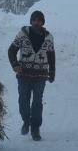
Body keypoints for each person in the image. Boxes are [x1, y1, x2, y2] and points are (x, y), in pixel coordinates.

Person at [8, 10, 55, 141]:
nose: (36, 22)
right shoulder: (22, 34)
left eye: (39, 20)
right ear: (31, 21)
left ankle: (35, 128)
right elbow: (11, 51)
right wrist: (15, 65)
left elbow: (51, 55)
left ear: (43, 22)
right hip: (24, 74)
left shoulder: (49, 37)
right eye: (34, 20)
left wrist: (52, 72)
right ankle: (26, 121)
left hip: (41, 75)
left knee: (37, 102)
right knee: (23, 100)